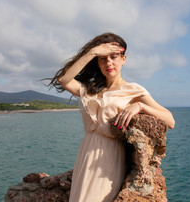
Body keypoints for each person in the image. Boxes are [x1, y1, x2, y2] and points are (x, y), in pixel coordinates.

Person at [47, 32, 175, 202]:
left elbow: (170, 120)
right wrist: (92, 52)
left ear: (124, 59)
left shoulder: (133, 90)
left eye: (114, 57)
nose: (108, 62)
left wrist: (140, 106)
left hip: (108, 156)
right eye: (103, 58)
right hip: (86, 151)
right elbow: (64, 80)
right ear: (98, 63)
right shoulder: (91, 90)